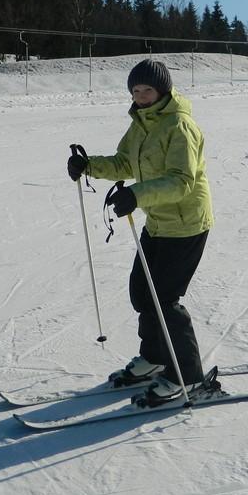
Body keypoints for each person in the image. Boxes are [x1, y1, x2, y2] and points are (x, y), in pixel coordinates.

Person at [66, 58, 213, 406]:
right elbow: (123, 162)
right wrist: (88, 166)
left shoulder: (180, 126)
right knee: (142, 293)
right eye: (135, 90)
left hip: (187, 223)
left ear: (162, 89)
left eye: (147, 89)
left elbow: (182, 181)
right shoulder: (140, 124)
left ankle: (187, 376)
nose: (141, 95)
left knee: (164, 300)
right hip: (158, 222)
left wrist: (137, 194)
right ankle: (156, 358)